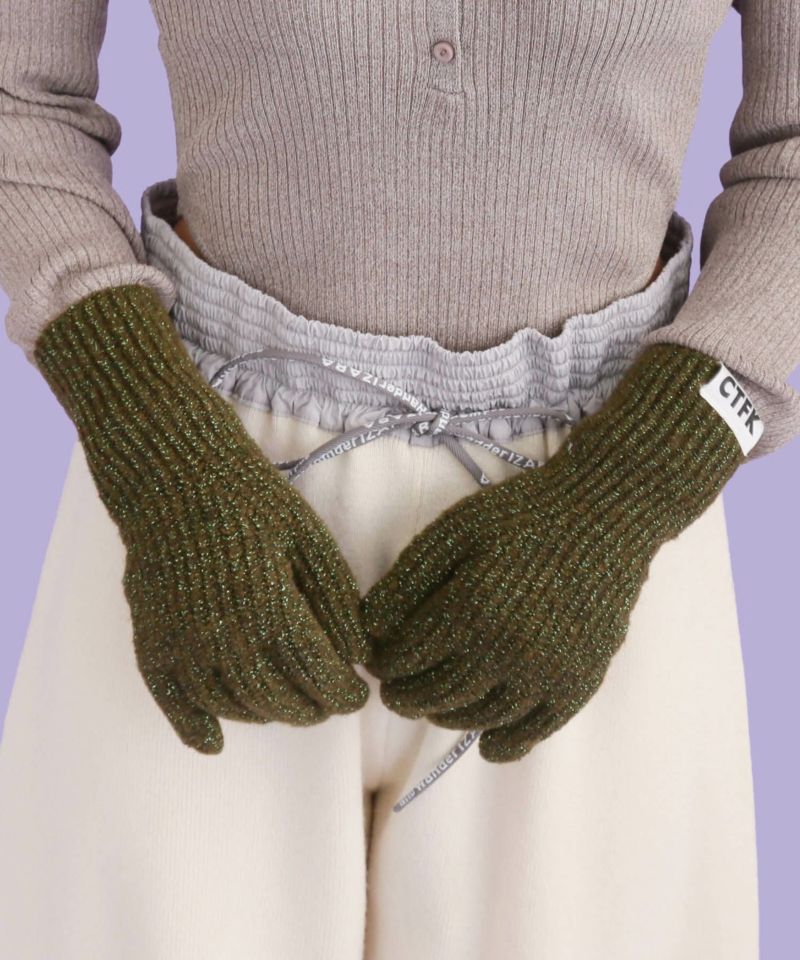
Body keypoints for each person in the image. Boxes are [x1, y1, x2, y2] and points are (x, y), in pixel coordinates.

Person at [0, 1, 797, 957]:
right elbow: (18, 94)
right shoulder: (177, 480)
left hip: (601, 524)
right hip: (194, 507)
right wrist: (158, 453)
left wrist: (633, 488)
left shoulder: (616, 504)